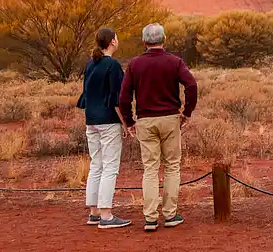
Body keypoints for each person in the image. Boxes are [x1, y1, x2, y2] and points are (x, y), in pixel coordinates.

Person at [119, 22, 198, 232]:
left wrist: (129, 121)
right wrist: (187, 113)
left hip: (145, 121)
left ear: (144, 41)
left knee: (150, 168)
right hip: (171, 119)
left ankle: (150, 218)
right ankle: (170, 215)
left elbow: (124, 96)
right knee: (172, 166)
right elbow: (191, 85)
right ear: (164, 40)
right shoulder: (175, 62)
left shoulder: (134, 64)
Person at [76, 27, 131, 229]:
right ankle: (106, 215)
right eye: (116, 37)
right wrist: (126, 123)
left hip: (91, 120)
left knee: (96, 165)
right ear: (112, 42)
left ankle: (94, 213)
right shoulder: (112, 65)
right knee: (110, 167)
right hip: (108, 121)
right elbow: (117, 99)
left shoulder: (91, 63)